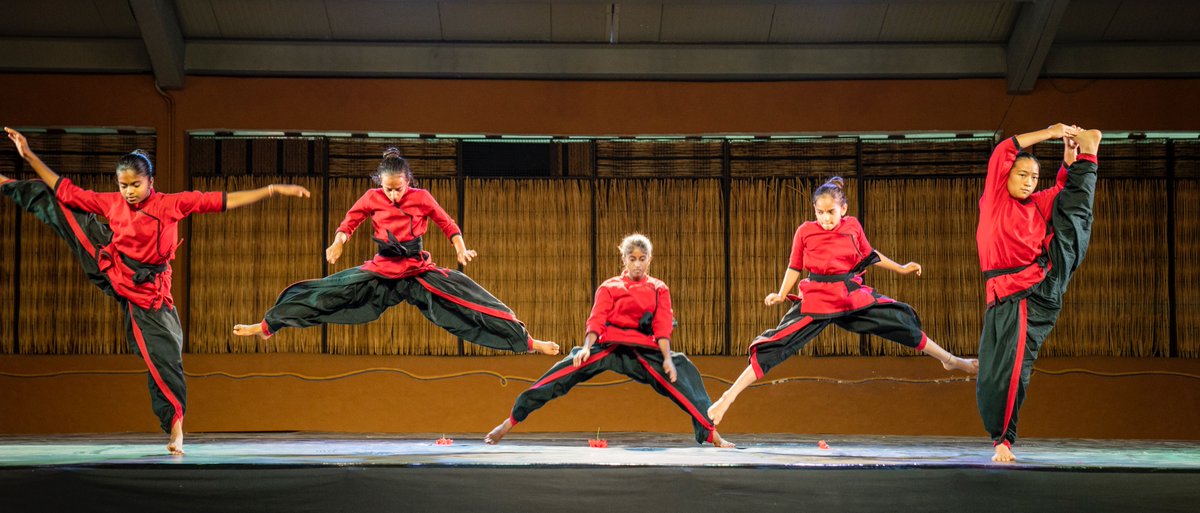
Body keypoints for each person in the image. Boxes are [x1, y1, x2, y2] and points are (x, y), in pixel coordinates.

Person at [1, 127, 311, 455]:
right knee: (59, 202)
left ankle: (176, 427)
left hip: (147, 290)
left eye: (136, 184)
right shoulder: (113, 203)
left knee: (166, 355)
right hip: (110, 262)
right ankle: (5, 183)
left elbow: (223, 200)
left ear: (151, 181)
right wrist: (29, 155)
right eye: (123, 186)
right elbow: (65, 188)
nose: (129, 192)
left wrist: (272, 189)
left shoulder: (170, 205)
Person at [707, 176, 978, 428]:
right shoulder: (805, 231)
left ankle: (951, 360)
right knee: (774, 344)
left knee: (899, 319)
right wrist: (781, 294)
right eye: (820, 213)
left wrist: (901, 268)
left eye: (831, 212)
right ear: (814, 211)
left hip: (849, 295)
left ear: (843, 209)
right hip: (816, 298)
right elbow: (795, 266)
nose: (826, 218)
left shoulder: (852, 227)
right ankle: (728, 398)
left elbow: (870, 255)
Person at [233, 147, 559, 356]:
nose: (392, 195)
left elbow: (447, 224)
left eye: (398, 189)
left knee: (469, 303)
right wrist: (337, 242)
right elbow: (349, 222)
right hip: (381, 271)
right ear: (380, 183)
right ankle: (267, 326)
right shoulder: (371, 197)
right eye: (387, 189)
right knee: (324, 293)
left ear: (408, 182)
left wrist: (461, 249)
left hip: (417, 271)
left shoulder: (422, 197)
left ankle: (528, 342)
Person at [485, 234, 734, 447]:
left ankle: (712, 434)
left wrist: (667, 358)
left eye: (642, 259)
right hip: (609, 347)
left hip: (644, 351)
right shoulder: (610, 287)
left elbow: (662, 325)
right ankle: (509, 422)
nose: (637, 264)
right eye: (632, 258)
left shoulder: (659, 288)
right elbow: (597, 319)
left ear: (649, 259)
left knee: (684, 374)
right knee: (559, 374)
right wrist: (586, 348)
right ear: (624, 259)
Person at [975, 125, 1101, 462]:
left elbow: (1061, 189)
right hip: (1008, 293)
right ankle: (1001, 437)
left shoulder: (1036, 204)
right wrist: (1052, 132)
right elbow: (1004, 148)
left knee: (1014, 366)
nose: (1029, 181)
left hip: (1036, 283)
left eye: (1034, 176)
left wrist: (1071, 157)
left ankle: (1004, 441)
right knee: (995, 373)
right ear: (1006, 176)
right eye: (1022, 174)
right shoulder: (995, 198)